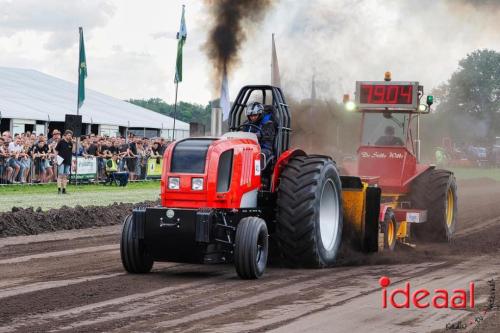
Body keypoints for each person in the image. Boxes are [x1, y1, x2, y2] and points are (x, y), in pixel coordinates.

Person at [242, 102, 276, 167]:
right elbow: (243, 133)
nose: (253, 118)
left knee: (257, 155)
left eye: (255, 115)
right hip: (248, 148)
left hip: (264, 148)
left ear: (260, 114)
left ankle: (259, 175)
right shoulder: (246, 124)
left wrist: (257, 135)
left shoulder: (268, 123)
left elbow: (267, 135)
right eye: (251, 116)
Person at [55, 130, 73, 194]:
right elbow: (56, 150)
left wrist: (75, 143)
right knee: (60, 175)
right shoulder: (61, 142)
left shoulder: (70, 143)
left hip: (67, 160)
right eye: (68, 135)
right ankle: (59, 189)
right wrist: (56, 159)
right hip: (61, 160)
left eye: (70, 135)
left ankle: (64, 189)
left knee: (65, 175)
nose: (70, 136)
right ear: (65, 135)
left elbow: (73, 151)